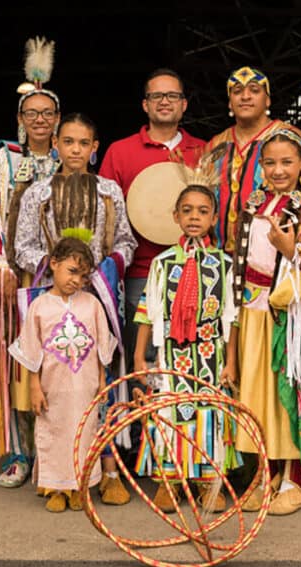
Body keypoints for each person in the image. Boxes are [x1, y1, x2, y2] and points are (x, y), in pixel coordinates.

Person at [14, 112, 138, 505]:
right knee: (56, 391)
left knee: (102, 386)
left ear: (95, 148)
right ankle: (56, 474)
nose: (75, 149)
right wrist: (57, 268)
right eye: (68, 141)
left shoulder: (109, 191)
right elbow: (22, 246)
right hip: (52, 302)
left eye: (84, 143)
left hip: (98, 298)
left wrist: (107, 265)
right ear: (56, 144)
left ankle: (109, 470)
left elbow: (126, 241)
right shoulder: (37, 194)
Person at [233, 126, 301, 516]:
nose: (278, 170)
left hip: (296, 317)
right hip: (256, 310)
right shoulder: (254, 205)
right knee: (260, 396)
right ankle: (263, 476)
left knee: (292, 392)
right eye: (269, 163)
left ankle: (293, 479)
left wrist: (290, 247)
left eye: (286, 162)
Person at [0, 37, 62, 486]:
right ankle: (18, 453)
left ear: (58, 119)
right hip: (12, 275)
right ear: (20, 119)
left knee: (57, 361)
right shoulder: (3, 159)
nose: (40, 120)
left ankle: (53, 452)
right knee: (13, 361)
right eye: (32, 113)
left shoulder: (69, 159)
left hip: (60, 277)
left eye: (47, 113)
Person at [132, 157, 240, 513]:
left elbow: (231, 318)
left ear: (213, 219)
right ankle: (171, 479)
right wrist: (139, 358)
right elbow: (147, 310)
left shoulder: (223, 264)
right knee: (171, 412)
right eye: (187, 210)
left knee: (209, 413)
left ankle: (209, 482)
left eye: (203, 211)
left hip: (211, 354)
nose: (195, 216)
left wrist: (232, 362)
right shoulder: (162, 264)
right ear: (175, 216)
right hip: (171, 355)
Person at [99, 68, 205, 394]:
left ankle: (180, 434)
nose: (164, 102)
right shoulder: (120, 151)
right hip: (139, 272)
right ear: (145, 105)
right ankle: (142, 437)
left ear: (184, 104)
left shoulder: (204, 151)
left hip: (194, 269)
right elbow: (105, 214)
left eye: (172, 95)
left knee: (187, 353)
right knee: (141, 358)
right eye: (156, 95)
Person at [9, 237, 116, 512]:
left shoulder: (91, 304)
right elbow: (32, 352)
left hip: (85, 386)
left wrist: (103, 380)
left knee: (84, 433)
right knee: (53, 432)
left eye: (82, 276)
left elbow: (103, 345)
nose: (76, 281)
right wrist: (35, 387)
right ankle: (55, 487)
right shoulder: (39, 307)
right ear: (53, 264)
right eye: (71, 271)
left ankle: (79, 486)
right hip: (52, 388)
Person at [207, 67, 288, 251]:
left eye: (254, 90)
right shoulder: (215, 145)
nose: (245, 96)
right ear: (230, 103)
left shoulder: (290, 137)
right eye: (237, 91)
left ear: (267, 100)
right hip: (220, 256)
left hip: (270, 256)